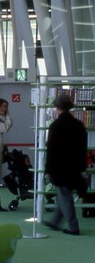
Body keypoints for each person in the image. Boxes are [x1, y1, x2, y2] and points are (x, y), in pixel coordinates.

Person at [44, 93, 87, 236]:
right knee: (63, 195)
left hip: (60, 168)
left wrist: (48, 169)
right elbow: (82, 148)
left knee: (64, 196)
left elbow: (52, 150)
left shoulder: (55, 126)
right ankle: (55, 221)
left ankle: (73, 227)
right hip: (74, 167)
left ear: (57, 108)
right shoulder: (78, 125)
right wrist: (82, 166)